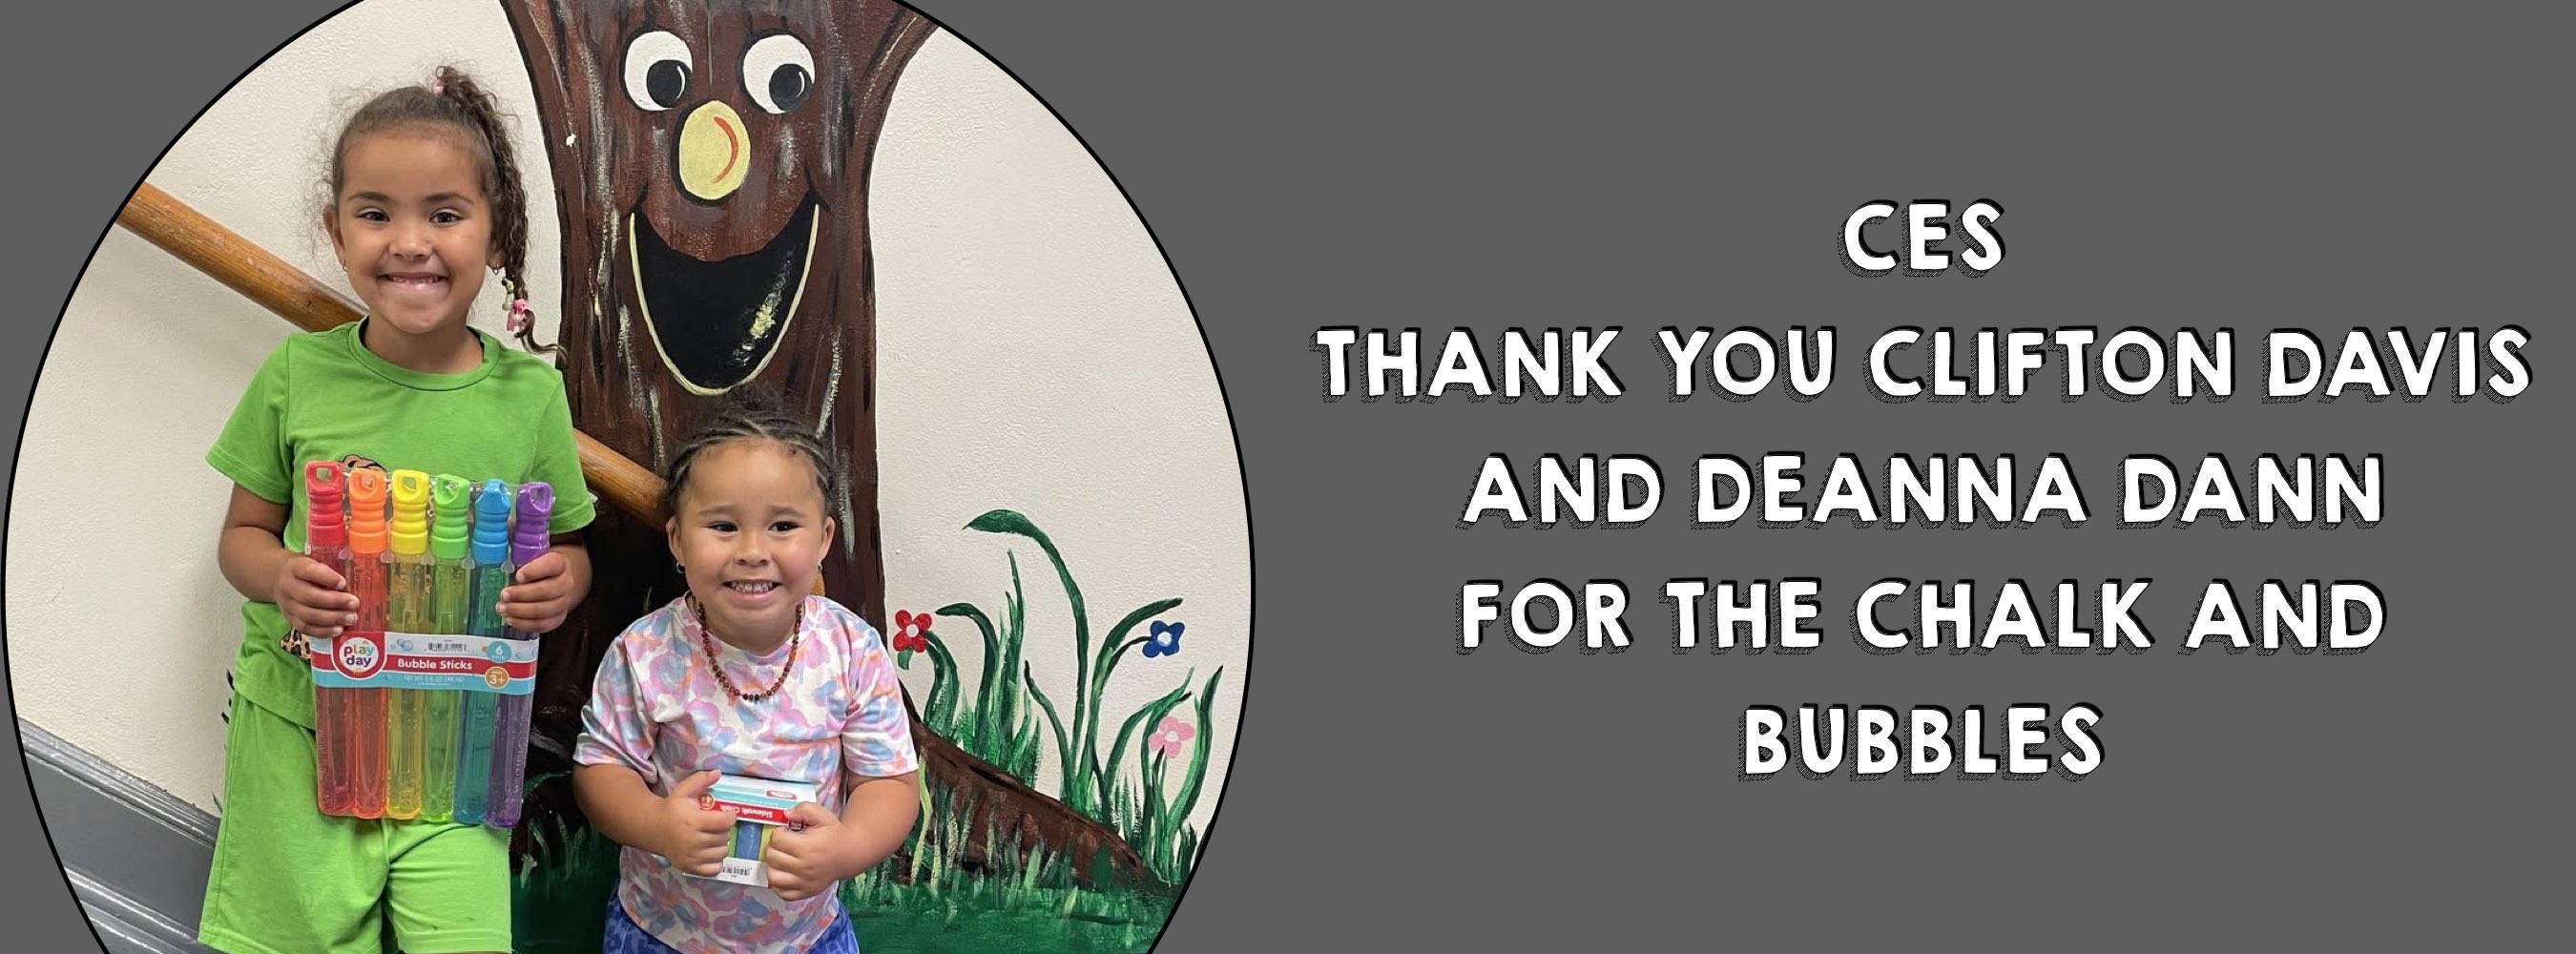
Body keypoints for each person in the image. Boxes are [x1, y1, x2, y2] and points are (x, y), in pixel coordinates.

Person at [198, 65, 594, 954]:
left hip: (459, 749)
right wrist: (279, 578)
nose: (409, 241)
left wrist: (558, 583)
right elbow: (241, 538)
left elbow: (572, 547)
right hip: (302, 731)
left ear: (496, 237)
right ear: (336, 233)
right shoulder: (298, 374)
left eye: (445, 214)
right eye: (375, 213)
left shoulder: (530, 396)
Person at [573, 392, 923, 954]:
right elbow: (599, 769)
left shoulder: (852, 650)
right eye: (723, 527)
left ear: (824, 540)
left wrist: (847, 847)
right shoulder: (644, 653)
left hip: (808, 938)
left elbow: (889, 783)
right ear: (678, 541)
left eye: (783, 526)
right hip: (660, 932)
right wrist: (656, 824)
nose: (753, 551)